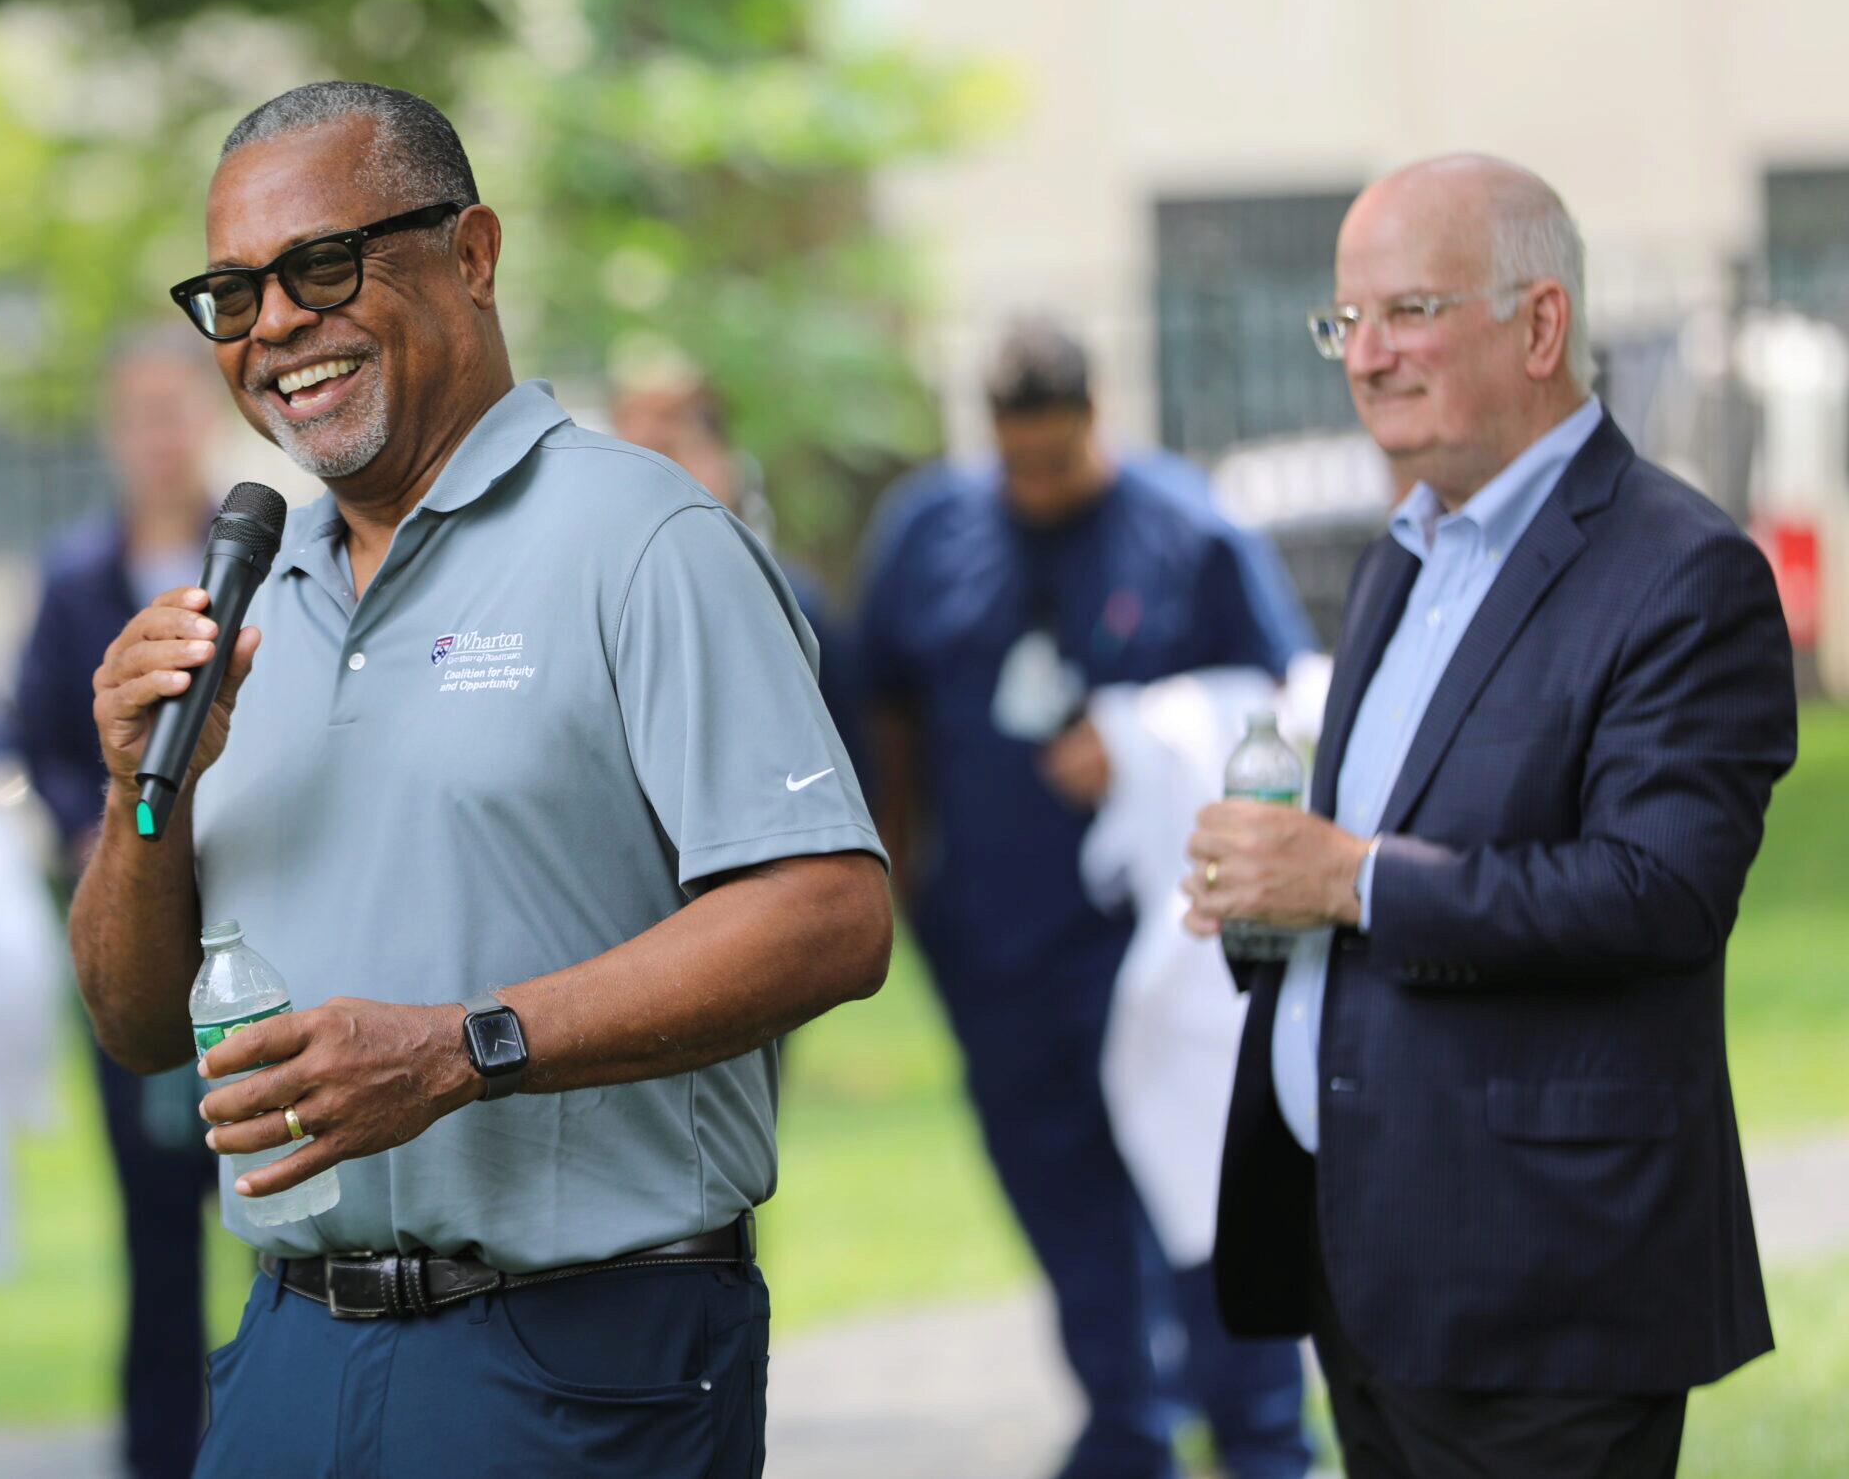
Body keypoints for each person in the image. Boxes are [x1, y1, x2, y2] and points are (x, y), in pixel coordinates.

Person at [68, 80, 891, 1478]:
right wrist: (140, 794)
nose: (273, 325)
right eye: (232, 292)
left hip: (582, 1354)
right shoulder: (245, 607)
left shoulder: (641, 540)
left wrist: (463, 1046)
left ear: (474, 252)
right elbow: (138, 1020)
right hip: (290, 1349)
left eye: (321, 265)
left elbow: (830, 912)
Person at [1183, 155, 1798, 1479]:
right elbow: (1391, 839)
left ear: (1540, 323)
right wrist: (1267, 890)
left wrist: (1347, 877)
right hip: (1368, 1256)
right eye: (1345, 321)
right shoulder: (1402, 552)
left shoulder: (1684, 573)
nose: (1366, 355)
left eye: (1408, 309)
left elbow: (1656, 891)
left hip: (1547, 1282)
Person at [856, 323, 1313, 1479]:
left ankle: (1262, 1440)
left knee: (1201, 1189)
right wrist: (902, 875)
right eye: (1019, 463)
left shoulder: (1188, 527)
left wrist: (1142, 739)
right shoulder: (929, 533)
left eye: (1059, 460)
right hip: (996, 948)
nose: (1039, 486)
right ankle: (1127, 1428)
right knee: (1060, 1203)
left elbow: (1281, 703)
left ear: (1096, 417)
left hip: (1157, 949)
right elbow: (888, 707)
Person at [12, 337, 227, 1479]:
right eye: (135, 414)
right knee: (153, 1234)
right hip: (136, 915)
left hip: (250, 918)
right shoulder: (75, 577)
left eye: (171, 410)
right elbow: (42, 738)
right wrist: (114, 821)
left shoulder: (265, 557)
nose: (156, 433)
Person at [609, 361, 868, 785]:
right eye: (630, 454)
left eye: (667, 449)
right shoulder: (608, 617)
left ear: (722, 462)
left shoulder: (791, 606)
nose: (646, 479)